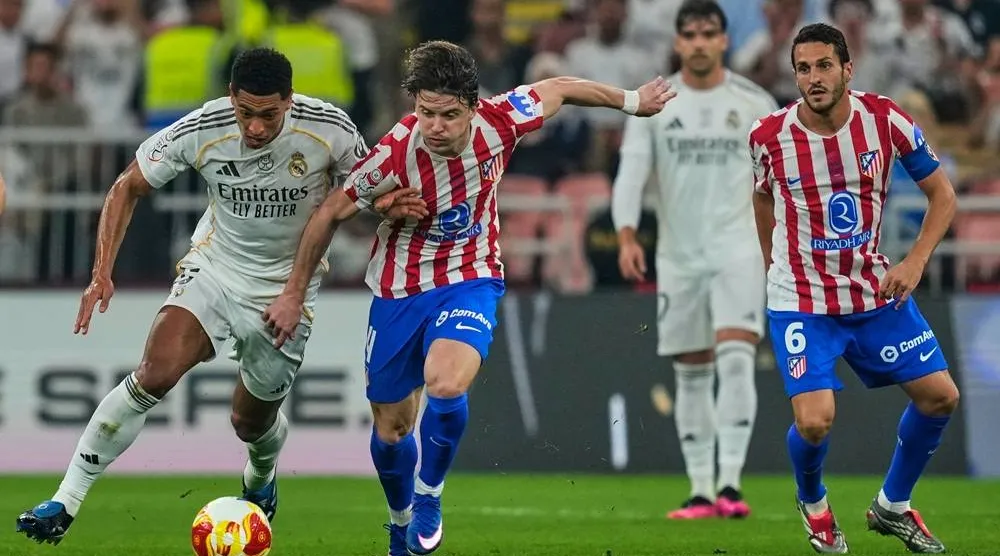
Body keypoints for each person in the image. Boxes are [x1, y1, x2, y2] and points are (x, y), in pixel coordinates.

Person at [262, 40, 675, 556]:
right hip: (398, 290)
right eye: (425, 112)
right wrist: (297, 291)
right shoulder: (394, 151)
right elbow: (330, 214)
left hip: (470, 275)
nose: (434, 126)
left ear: (473, 108)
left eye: (448, 115)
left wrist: (633, 102)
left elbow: (561, 87)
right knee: (392, 431)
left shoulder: (502, 122)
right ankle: (398, 522)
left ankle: (430, 494)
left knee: (446, 381)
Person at [15, 47, 426, 545]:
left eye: (268, 115)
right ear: (231, 97)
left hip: (285, 289)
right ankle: (65, 500)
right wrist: (101, 272)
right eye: (245, 112)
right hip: (215, 268)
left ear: (289, 101)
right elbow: (127, 186)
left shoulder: (329, 127)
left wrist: (388, 206)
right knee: (154, 373)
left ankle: (261, 476)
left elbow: (361, 195)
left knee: (249, 423)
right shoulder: (203, 126)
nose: (254, 127)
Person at [750, 23, 958, 554]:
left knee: (940, 398)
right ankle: (814, 504)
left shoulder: (886, 121)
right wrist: (772, 267)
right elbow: (762, 198)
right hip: (802, 301)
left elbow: (943, 197)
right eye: (803, 68)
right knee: (815, 422)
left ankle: (892, 506)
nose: (813, 79)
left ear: (848, 68)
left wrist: (914, 260)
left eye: (823, 66)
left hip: (872, 291)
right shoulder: (768, 136)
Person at [612, 0, 778, 520]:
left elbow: (778, 182)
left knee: (734, 357)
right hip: (679, 255)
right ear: (679, 41)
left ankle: (730, 483)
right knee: (691, 370)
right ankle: (700, 490)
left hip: (739, 248)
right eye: (692, 34)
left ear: (724, 40)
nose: (701, 42)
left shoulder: (755, 102)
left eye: (710, 33)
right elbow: (632, 171)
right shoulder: (655, 103)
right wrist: (626, 233)